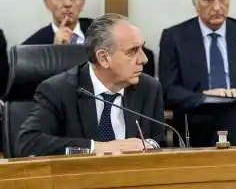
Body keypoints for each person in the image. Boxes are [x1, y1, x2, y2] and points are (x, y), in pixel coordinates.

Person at [17, 14, 165, 157]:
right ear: (103, 58)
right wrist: (98, 147)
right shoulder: (58, 91)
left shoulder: (149, 89)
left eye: (142, 48)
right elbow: (28, 143)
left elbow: (160, 142)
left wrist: (149, 145)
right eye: (132, 51)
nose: (144, 59)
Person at [158, 0, 236, 146]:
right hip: (196, 117)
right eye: (208, 0)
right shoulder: (174, 37)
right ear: (195, 2)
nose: (216, 7)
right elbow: (168, 90)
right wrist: (205, 96)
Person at [23, 0, 156, 76]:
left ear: (82, 3)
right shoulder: (30, 47)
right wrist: (57, 53)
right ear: (47, 3)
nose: (68, 3)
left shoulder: (103, 30)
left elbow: (145, 56)